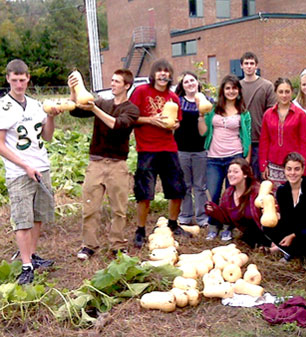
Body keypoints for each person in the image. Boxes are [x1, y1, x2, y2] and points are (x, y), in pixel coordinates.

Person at [68, 69, 140, 260]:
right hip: (96, 163)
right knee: (90, 207)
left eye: (117, 81)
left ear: (127, 85)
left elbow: (117, 125)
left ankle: (118, 245)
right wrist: (73, 91)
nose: (113, 84)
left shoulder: (131, 109)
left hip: (118, 165)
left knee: (119, 208)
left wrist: (95, 110)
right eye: (112, 80)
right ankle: (88, 245)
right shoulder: (101, 103)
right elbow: (75, 111)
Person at [0, 59, 58, 284]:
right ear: (8, 79)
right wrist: (24, 165)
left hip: (41, 166)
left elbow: (47, 136)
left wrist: (51, 117)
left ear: (28, 79)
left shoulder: (35, 105)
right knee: (22, 219)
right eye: (14, 80)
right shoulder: (4, 106)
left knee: (38, 215)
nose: (19, 84)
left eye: (22, 80)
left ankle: (32, 256)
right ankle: (26, 265)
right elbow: (1, 144)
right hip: (19, 171)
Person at [129, 58, 190, 248]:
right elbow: (130, 117)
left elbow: (177, 121)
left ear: (170, 76)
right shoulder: (141, 92)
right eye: (159, 71)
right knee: (144, 192)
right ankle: (140, 230)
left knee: (177, 188)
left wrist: (175, 124)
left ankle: (173, 224)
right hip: (147, 149)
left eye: (167, 72)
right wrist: (150, 120)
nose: (163, 74)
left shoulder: (174, 97)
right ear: (154, 74)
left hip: (169, 148)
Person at [198, 74, 251, 241]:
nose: (231, 91)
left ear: (239, 91)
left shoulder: (243, 113)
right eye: (228, 88)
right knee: (213, 194)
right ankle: (214, 226)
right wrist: (200, 116)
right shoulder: (213, 110)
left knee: (230, 195)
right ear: (223, 91)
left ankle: (228, 227)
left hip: (234, 158)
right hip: (213, 158)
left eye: (234, 88)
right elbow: (203, 132)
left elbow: (247, 137)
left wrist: (246, 160)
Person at [174, 71, 213, 227]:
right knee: (185, 185)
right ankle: (186, 216)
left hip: (200, 150)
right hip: (182, 149)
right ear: (182, 86)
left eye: (192, 80)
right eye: (186, 82)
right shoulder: (177, 102)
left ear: (197, 82)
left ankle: (202, 217)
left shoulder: (208, 102)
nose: (190, 83)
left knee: (200, 186)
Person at [204, 157, 271, 248]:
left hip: (266, 233)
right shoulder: (228, 194)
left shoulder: (257, 191)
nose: (231, 174)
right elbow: (227, 218)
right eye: (229, 171)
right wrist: (214, 211)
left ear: (245, 174)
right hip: (249, 237)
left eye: (236, 172)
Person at [259, 78, 306, 189]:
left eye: (287, 92)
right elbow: (264, 141)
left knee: (293, 199)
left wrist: (304, 169)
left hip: (294, 166)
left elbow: (304, 142)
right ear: (276, 93)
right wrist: (263, 165)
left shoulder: (300, 115)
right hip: (274, 166)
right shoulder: (268, 114)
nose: (284, 95)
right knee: (274, 202)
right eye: (281, 92)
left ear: (292, 92)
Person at [239, 52, 277, 181]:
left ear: (256, 66)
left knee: (261, 179)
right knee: (244, 179)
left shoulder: (267, 86)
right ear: (241, 66)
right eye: (246, 63)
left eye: (252, 63)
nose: (249, 66)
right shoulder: (236, 87)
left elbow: (272, 114)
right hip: (241, 141)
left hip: (261, 139)